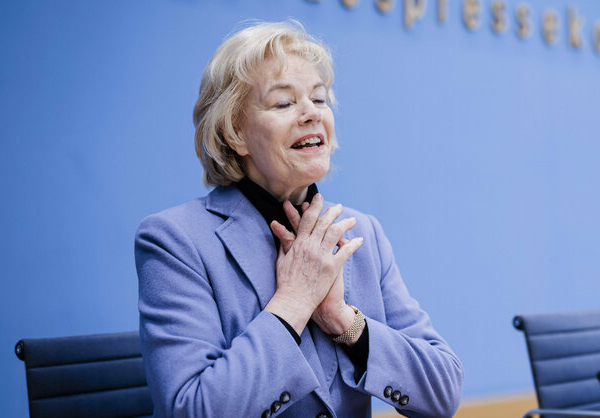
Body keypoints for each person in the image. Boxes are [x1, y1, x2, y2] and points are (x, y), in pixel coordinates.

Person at [135, 21, 463, 417]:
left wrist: (345, 322)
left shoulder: (363, 234)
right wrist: (294, 301)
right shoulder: (175, 240)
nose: (310, 113)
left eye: (319, 99)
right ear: (235, 131)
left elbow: (443, 393)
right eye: (283, 103)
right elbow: (192, 410)